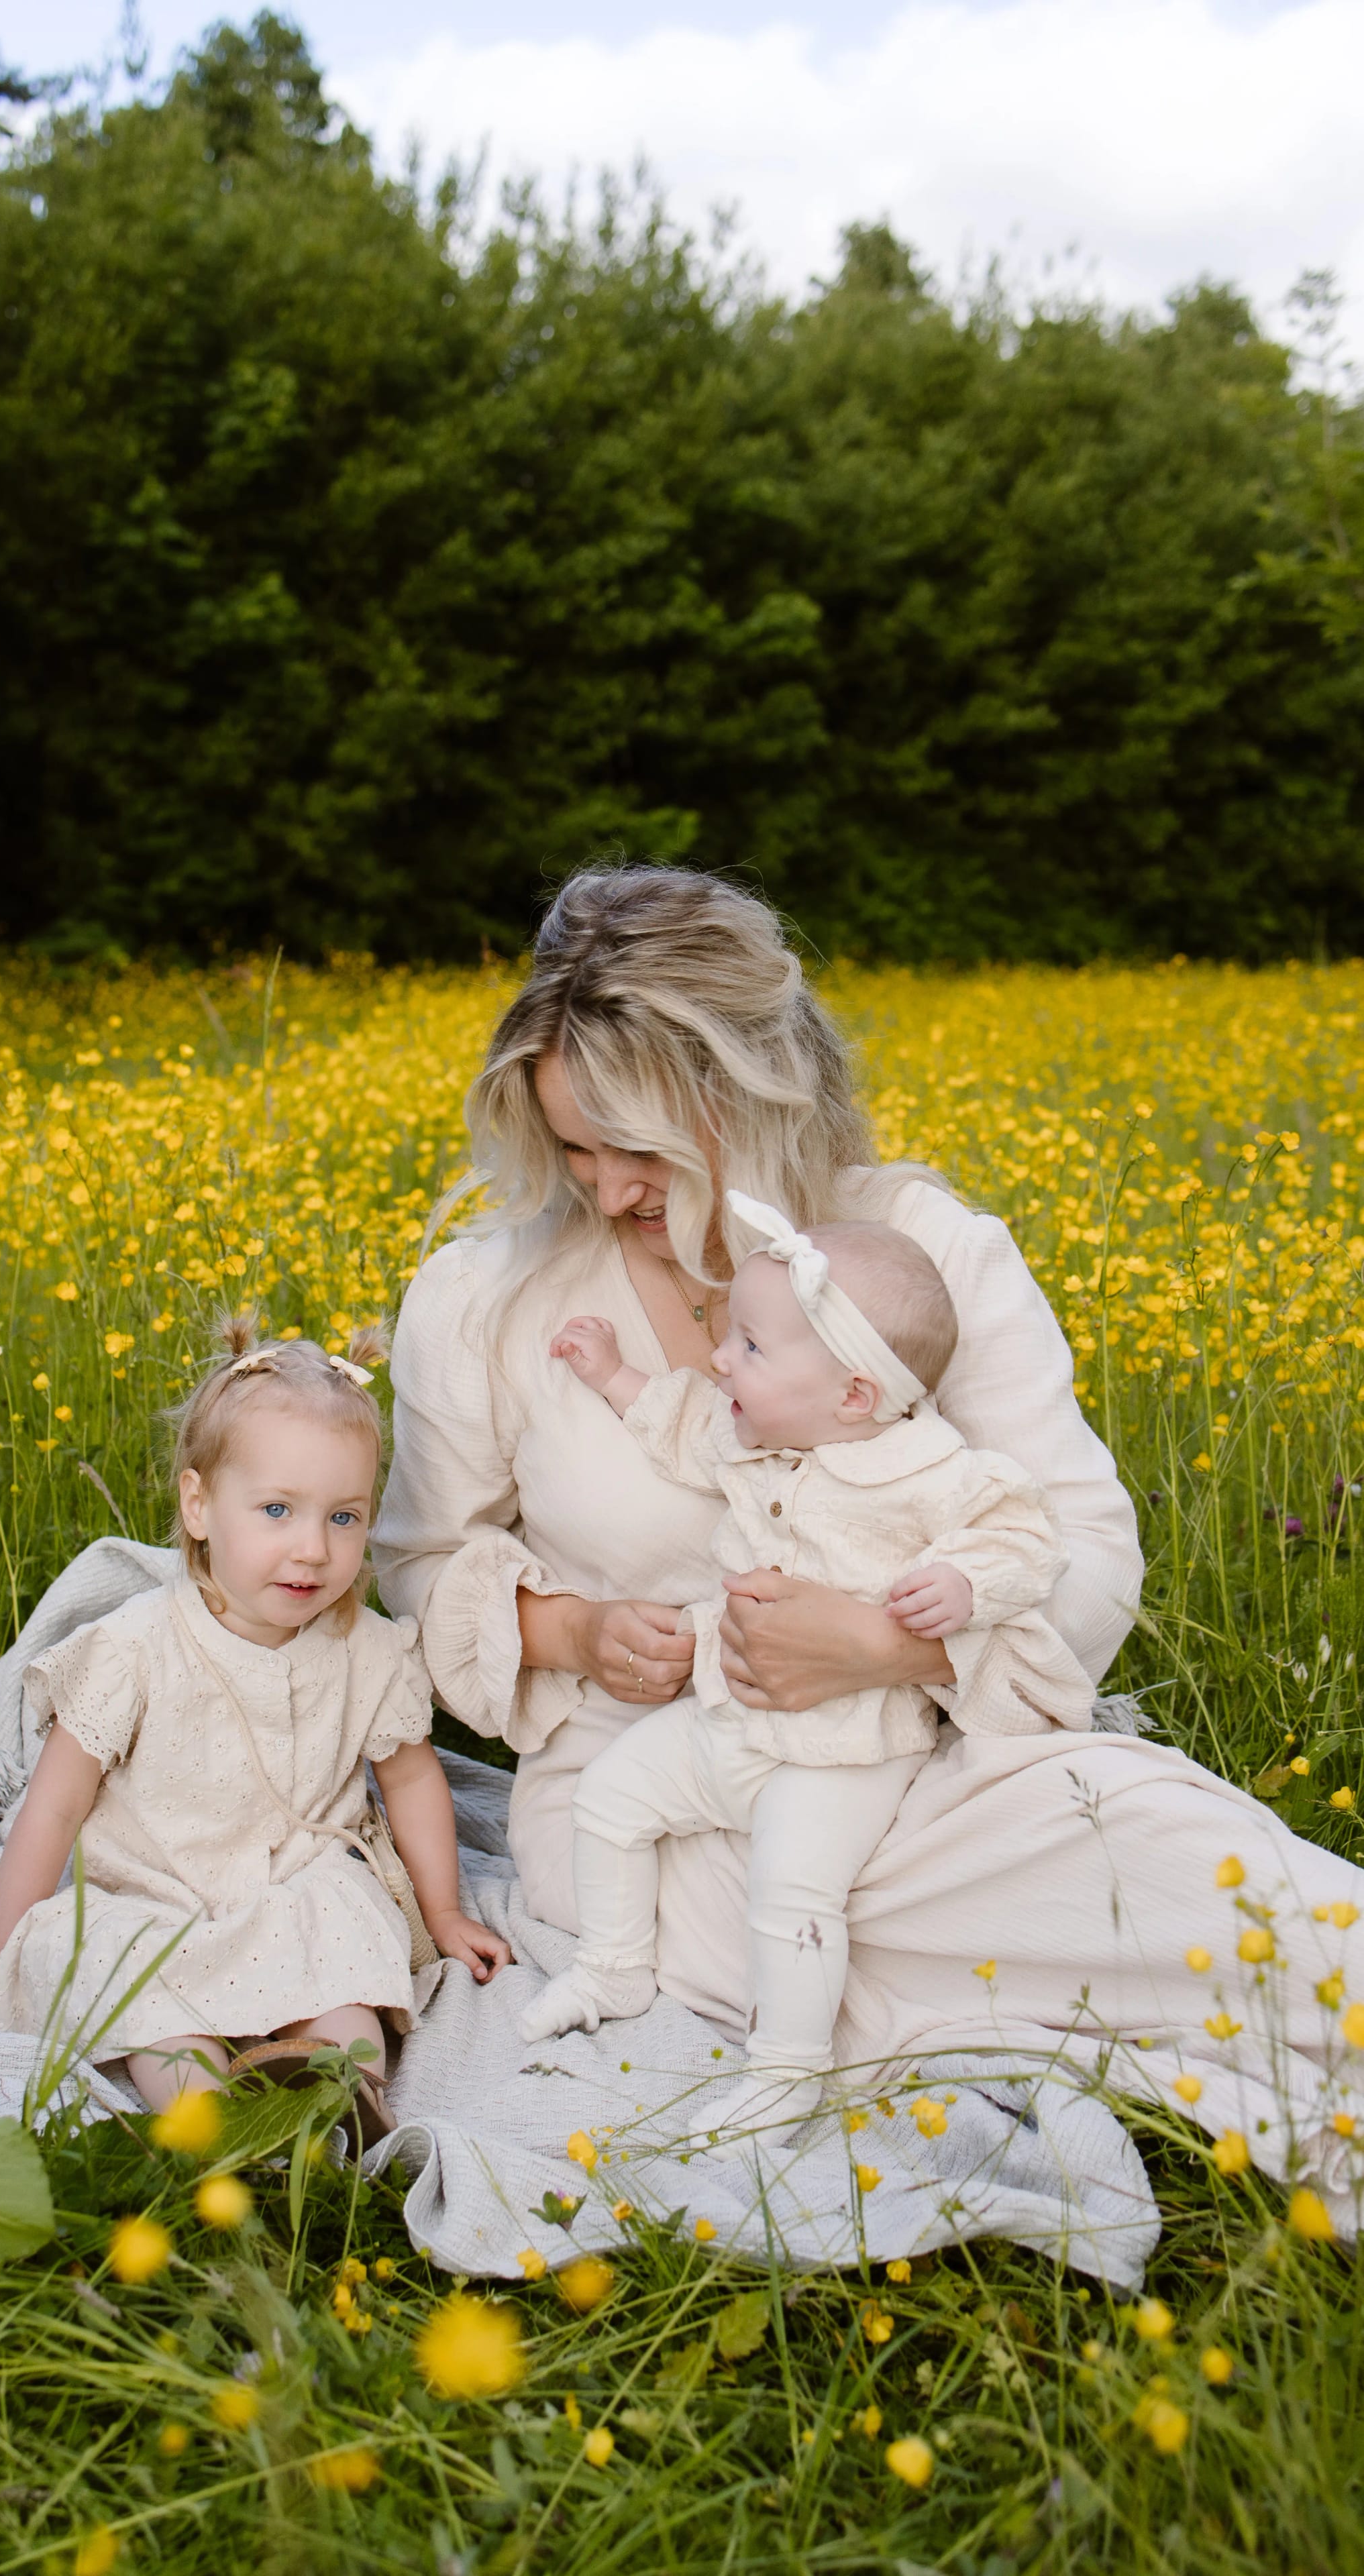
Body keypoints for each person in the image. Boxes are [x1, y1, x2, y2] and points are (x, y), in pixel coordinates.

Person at [372, 865, 1364, 2198]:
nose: (605, 1191)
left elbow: (1078, 1545)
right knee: (810, 1916)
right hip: (658, 1792)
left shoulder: (913, 1248)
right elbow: (417, 1577)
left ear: (750, 1096)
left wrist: (881, 1649)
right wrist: (573, 1631)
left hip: (929, 1756)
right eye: (571, 1149)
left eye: (641, 1153)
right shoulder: (484, 1302)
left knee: (1193, 1875)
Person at [521, 1193, 1092, 2144]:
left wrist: (964, 1581)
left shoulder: (930, 1470)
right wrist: (615, 1373)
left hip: (846, 1754)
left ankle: (788, 2072)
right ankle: (616, 1964)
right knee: (612, 1797)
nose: (720, 1360)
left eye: (749, 1347)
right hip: (733, 1721)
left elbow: (1024, 1536)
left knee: (791, 1896)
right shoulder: (754, 1438)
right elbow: (678, 1420)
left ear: (856, 1393)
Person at [0, 1328, 511, 2123]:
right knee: (141, 1991)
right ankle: (209, 2117)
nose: (312, 1549)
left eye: (344, 1517)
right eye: (276, 1511)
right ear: (199, 1505)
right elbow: (53, 1808)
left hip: (294, 1884)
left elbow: (410, 1780)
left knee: (342, 1948)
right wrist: (6, 1956)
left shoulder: (365, 1651)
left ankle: (333, 2096)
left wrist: (441, 1912)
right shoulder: (136, 1648)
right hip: (155, 1897)